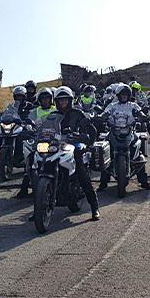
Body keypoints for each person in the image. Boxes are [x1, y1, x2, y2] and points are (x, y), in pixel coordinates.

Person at [51, 86, 100, 220]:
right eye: (60, 101)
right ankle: (39, 207)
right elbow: (43, 129)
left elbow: (90, 129)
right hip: (57, 147)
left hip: (74, 146)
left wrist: (86, 138)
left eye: (65, 100)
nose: (62, 103)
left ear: (70, 100)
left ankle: (94, 207)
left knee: (82, 173)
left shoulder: (77, 114)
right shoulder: (53, 115)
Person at [97, 84, 150, 191]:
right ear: (118, 95)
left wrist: (144, 116)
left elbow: (139, 112)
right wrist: (100, 117)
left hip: (130, 132)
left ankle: (144, 181)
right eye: (122, 95)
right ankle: (103, 182)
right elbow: (105, 113)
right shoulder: (112, 106)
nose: (124, 96)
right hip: (114, 132)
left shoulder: (133, 106)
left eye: (126, 94)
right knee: (105, 152)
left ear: (129, 95)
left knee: (139, 152)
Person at [16, 87, 56, 198]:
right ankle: (24, 188)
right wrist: (28, 128)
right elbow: (28, 123)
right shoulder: (34, 111)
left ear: (51, 99)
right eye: (43, 99)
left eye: (47, 98)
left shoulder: (55, 109)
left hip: (54, 139)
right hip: (39, 139)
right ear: (39, 100)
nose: (45, 101)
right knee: (31, 161)